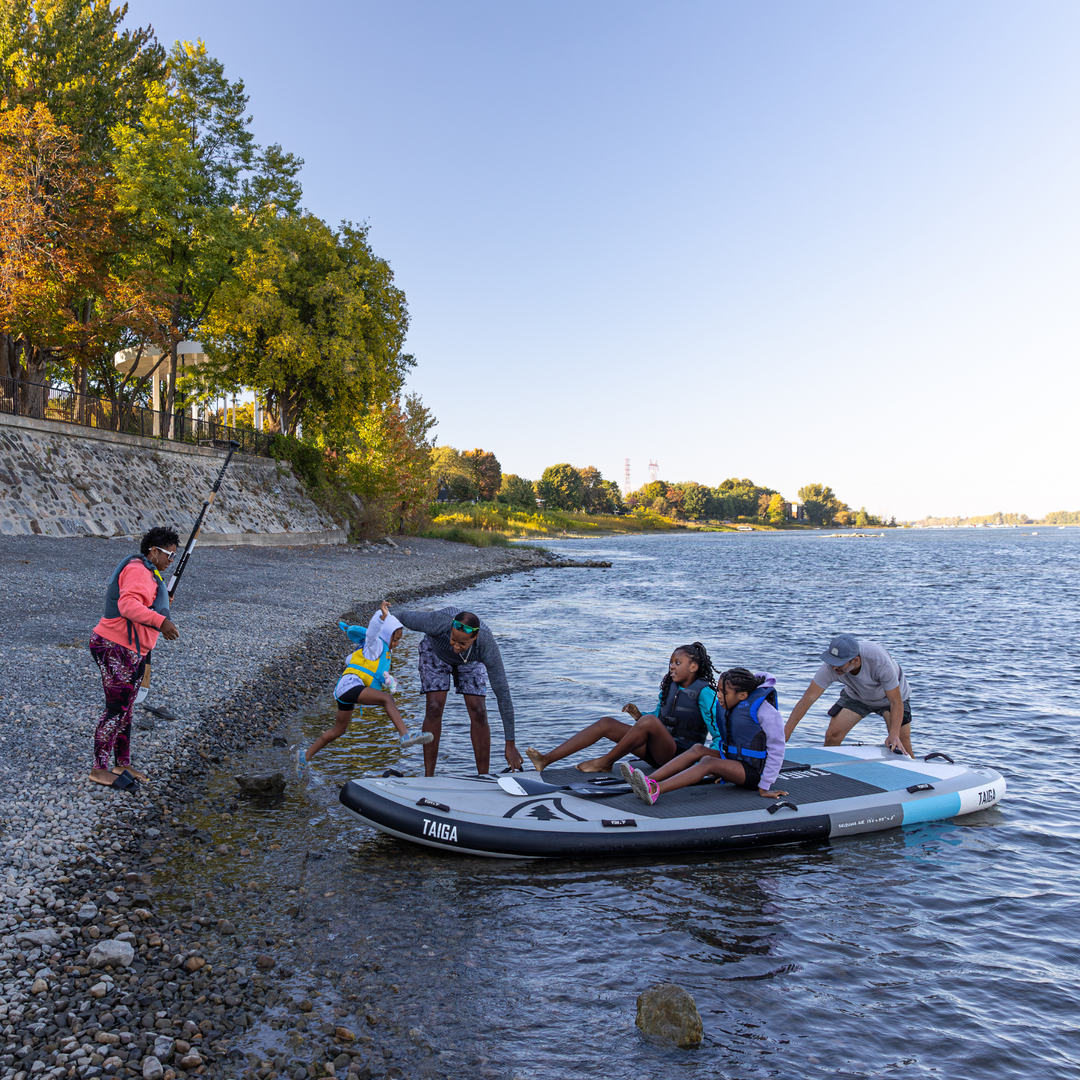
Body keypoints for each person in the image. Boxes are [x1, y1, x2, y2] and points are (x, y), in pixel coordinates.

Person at [526, 642, 717, 774]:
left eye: (678, 663)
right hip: (657, 753)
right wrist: (639, 715)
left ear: (694, 667)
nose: (672, 667)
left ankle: (605, 762)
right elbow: (658, 718)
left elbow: (719, 734)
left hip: (681, 758)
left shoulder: (705, 692)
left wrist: (710, 765)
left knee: (648, 722)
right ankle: (546, 760)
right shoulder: (669, 687)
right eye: (670, 662)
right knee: (606, 723)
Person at [295, 602, 431, 779]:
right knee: (387, 699)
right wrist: (381, 617)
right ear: (386, 635)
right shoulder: (375, 645)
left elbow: (380, 676)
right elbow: (372, 633)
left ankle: (304, 756)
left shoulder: (380, 655)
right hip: (351, 685)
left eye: (399, 640)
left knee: (338, 730)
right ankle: (405, 735)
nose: (396, 644)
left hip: (344, 691)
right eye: (395, 639)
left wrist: (390, 682)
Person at [88, 526, 180, 788]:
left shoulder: (150, 574)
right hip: (113, 646)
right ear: (153, 551)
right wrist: (161, 621)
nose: (170, 561)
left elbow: (141, 604)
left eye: (173, 557)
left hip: (132, 649)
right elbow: (127, 606)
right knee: (116, 709)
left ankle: (122, 762)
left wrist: (159, 605)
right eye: (168, 555)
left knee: (127, 709)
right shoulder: (139, 570)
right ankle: (98, 768)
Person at [389, 604, 522, 776]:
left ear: (476, 637)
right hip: (435, 651)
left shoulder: (486, 645)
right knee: (434, 707)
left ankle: (484, 777)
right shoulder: (436, 622)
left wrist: (510, 744)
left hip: (471, 659)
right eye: (453, 639)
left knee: (479, 710)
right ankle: (428, 777)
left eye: (462, 643)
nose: (456, 646)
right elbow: (398, 617)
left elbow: (502, 692)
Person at [627, 668, 788, 803]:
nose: (718, 695)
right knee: (698, 749)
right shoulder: (731, 704)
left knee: (707, 762)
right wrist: (726, 770)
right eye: (718, 690)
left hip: (755, 772)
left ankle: (655, 789)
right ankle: (646, 780)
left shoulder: (766, 712)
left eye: (724, 692)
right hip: (735, 760)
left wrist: (765, 785)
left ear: (742, 695)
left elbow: (777, 748)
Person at [784, 633, 913, 756]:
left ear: (855, 660)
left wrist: (894, 734)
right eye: (831, 662)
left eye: (839, 664)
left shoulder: (879, 661)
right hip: (857, 696)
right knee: (832, 734)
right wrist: (786, 732)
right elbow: (808, 698)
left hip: (889, 699)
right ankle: (829, 771)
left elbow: (895, 701)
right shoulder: (830, 667)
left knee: (901, 742)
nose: (834, 668)